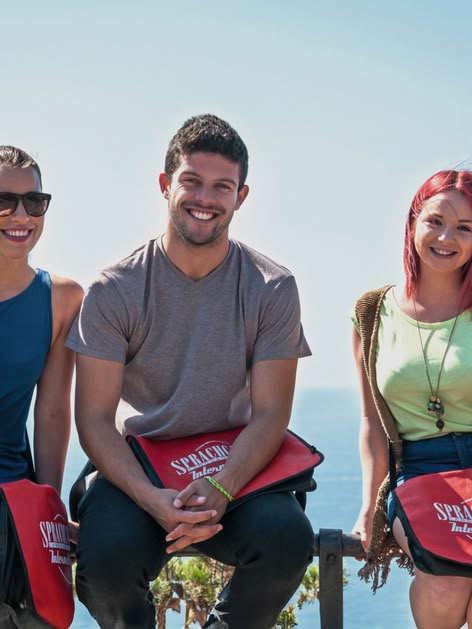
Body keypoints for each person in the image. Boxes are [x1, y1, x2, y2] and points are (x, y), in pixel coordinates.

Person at [66, 114, 314, 629]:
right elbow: (92, 420)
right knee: (103, 567)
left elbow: (270, 414)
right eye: (191, 181)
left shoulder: (271, 287)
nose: (206, 197)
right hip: (141, 468)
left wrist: (221, 487)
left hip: (232, 466)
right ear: (164, 185)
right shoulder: (115, 290)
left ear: (241, 196)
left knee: (288, 541)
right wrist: (153, 499)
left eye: (222, 186)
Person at [351, 169, 472, 629]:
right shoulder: (372, 312)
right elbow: (371, 423)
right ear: (413, 222)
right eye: (435, 221)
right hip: (420, 470)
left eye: (465, 228)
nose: (447, 237)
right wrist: (367, 506)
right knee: (446, 579)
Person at [0, 146, 83, 625]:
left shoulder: (62, 299)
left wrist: (49, 513)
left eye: (34, 202)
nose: (21, 215)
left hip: (13, 507)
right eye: (5, 201)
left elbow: (52, 412)